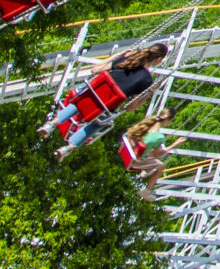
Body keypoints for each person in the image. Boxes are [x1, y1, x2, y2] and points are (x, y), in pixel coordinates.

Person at [40, 45, 170, 159]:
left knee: (79, 103)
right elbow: (130, 108)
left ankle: (51, 125)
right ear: (158, 59)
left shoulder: (128, 60)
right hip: (106, 106)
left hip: (93, 93)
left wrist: (116, 56)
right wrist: (150, 93)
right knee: (99, 123)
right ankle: (68, 148)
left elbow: (95, 70)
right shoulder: (146, 80)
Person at [120, 108, 177, 193]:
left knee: (149, 151)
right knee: (161, 166)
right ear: (168, 120)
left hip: (126, 152)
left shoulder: (146, 124)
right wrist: (174, 145)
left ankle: (147, 170)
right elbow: (157, 154)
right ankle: (147, 191)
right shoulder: (158, 136)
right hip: (134, 162)